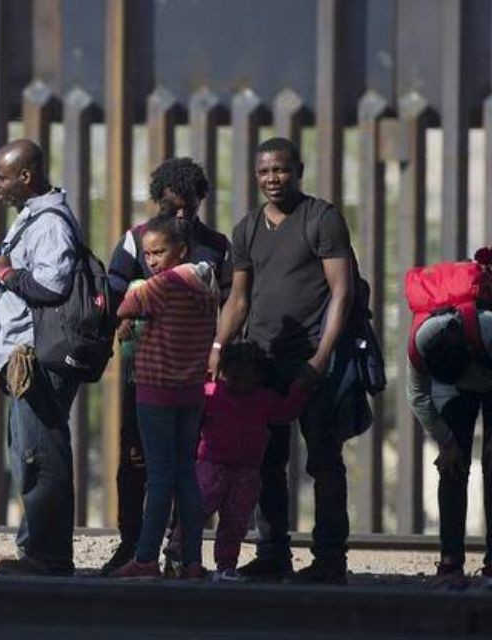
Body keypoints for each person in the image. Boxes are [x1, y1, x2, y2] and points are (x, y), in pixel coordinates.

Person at [211, 137, 354, 584]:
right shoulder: (247, 228)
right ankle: (273, 553)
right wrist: (218, 348)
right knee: (265, 462)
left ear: (299, 170)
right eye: (264, 172)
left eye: (282, 170)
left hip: (311, 360)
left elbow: (342, 291)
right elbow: (239, 297)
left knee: (324, 462)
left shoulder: (321, 218)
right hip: (261, 365)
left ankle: (330, 559)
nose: (273, 179)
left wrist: (321, 358)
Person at [102, 157, 231, 575]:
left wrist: (138, 301)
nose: (180, 215)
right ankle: (145, 545)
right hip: (163, 374)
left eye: (187, 208)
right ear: (157, 201)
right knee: (143, 462)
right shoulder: (137, 238)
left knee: (168, 470)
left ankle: (155, 555)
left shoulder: (212, 246)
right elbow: (113, 282)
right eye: (172, 207)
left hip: (160, 379)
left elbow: (121, 298)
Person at [0, 139, 80, 576]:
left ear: (26, 176)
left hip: (38, 357)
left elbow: (52, 288)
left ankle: (49, 556)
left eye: (2, 176)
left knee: (42, 454)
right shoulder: (30, 218)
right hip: (18, 355)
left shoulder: (51, 224)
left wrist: (2, 272)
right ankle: (33, 549)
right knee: (26, 454)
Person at [169, 342, 307, 581]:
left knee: (235, 521)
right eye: (232, 377)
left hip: (246, 472)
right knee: (196, 510)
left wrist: (300, 390)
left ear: (257, 377)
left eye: (244, 378)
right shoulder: (211, 394)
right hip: (211, 465)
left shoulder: (265, 399)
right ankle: (178, 553)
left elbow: (285, 412)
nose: (237, 384)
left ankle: (226, 566)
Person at [407, 310, 492, 589]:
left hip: (486, 362)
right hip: (452, 389)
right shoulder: (420, 348)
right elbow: (418, 397)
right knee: (453, 466)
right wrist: (447, 442)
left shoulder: (487, 328)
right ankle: (450, 559)